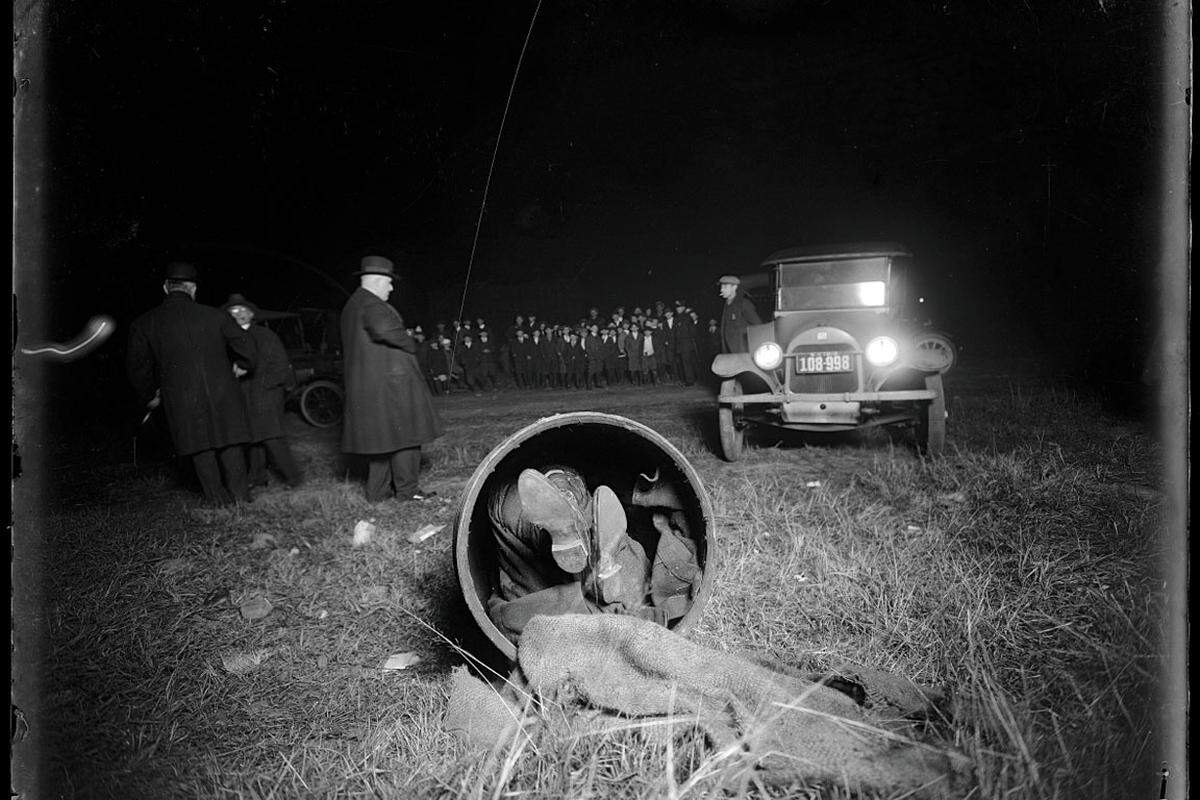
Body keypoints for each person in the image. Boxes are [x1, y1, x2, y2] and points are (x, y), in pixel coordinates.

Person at [126, 261, 256, 505]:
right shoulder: (216, 315)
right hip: (223, 393)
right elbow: (247, 345)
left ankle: (218, 502)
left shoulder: (144, 323)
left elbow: (137, 369)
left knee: (199, 447)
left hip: (181, 398)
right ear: (193, 288)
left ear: (166, 287)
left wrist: (150, 395)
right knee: (230, 442)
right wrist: (244, 365)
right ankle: (241, 499)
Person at [340, 255, 442, 503]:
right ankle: (408, 491)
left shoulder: (353, 304)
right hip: (392, 386)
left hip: (371, 387)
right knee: (408, 435)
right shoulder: (372, 303)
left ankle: (377, 493)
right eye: (389, 283)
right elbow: (384, 330)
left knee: (383, 441)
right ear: (377, 281)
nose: (391, 287)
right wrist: (413, 343)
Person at [222, 294, 303, 489]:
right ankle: (257, 476)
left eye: (243, 310)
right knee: (252, 438)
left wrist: (264, 386)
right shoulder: (228, 339)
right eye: (233, 311)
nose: (239, 314)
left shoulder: (265, 335)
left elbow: (281, 366)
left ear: (251, 314)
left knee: (272, 437)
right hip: (243, 397)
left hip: (266, 396)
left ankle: (294, 478)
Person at [718, 275, 762, 353]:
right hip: (728, 351)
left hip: (742, 352)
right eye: (721, 287)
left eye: (725, 287)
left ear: (734, 287)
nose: (721, 290)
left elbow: (758, 326)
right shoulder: (726, 305)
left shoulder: (744, 304)